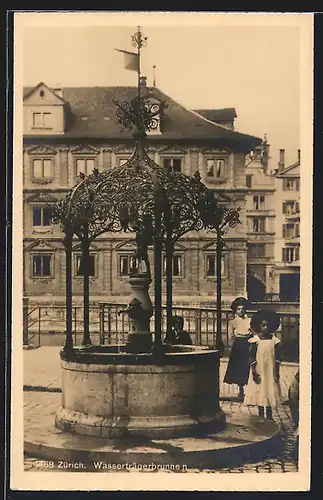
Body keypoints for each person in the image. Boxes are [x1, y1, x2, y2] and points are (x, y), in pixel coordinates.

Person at [244, 309, 282, 420]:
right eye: (263, 325)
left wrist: (277, 371)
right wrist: (254, 372)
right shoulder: (255, 340)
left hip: (270, 370)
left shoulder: (275, 341)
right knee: (260, 391)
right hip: (259, 370)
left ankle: (269, 415)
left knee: (269, 390)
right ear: (259, 326)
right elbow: (251, 357)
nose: (265, 328)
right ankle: (261, 415)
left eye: (268, 326)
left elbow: (278, 358)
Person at [223, 297, 252, 400]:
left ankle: (248, 388)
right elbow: (230, 336)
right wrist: (232, 347)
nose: (241, 311)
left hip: (247, 343)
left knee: (247, 366)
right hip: (238, 345)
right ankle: (240, 389)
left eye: (243, 309)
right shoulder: (233, 322)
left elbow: (252, 332)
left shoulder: (249, 320)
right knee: (238, 367)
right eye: (239, 309)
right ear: (235, 310)